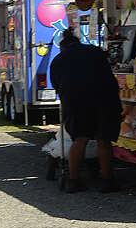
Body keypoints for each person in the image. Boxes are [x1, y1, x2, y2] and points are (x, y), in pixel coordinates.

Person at [48, 28, 122, 192]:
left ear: (62, 46)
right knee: (104, 140)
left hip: (76, 102)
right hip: (104, 99)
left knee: (80, 139)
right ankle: (107, 180)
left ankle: (73, 180)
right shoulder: (94, 51)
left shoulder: (59, 59)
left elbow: (56, 85)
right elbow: (108, 74)